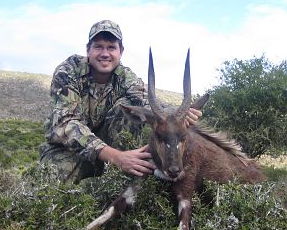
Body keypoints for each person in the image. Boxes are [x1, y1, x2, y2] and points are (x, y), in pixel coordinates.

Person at [39, 20, 202, 184]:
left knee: (129, 109)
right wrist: (116, 157)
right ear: (88, 49)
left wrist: (178, 115)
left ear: (120, 51)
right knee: (49, 190)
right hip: (70, 151)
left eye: (111, 47)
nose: (105, 53)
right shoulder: (67, 71)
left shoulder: (125, 77)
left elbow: (148, 103)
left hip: (116, 158)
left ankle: (119, 184)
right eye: (98, 47)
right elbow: (65, 123)